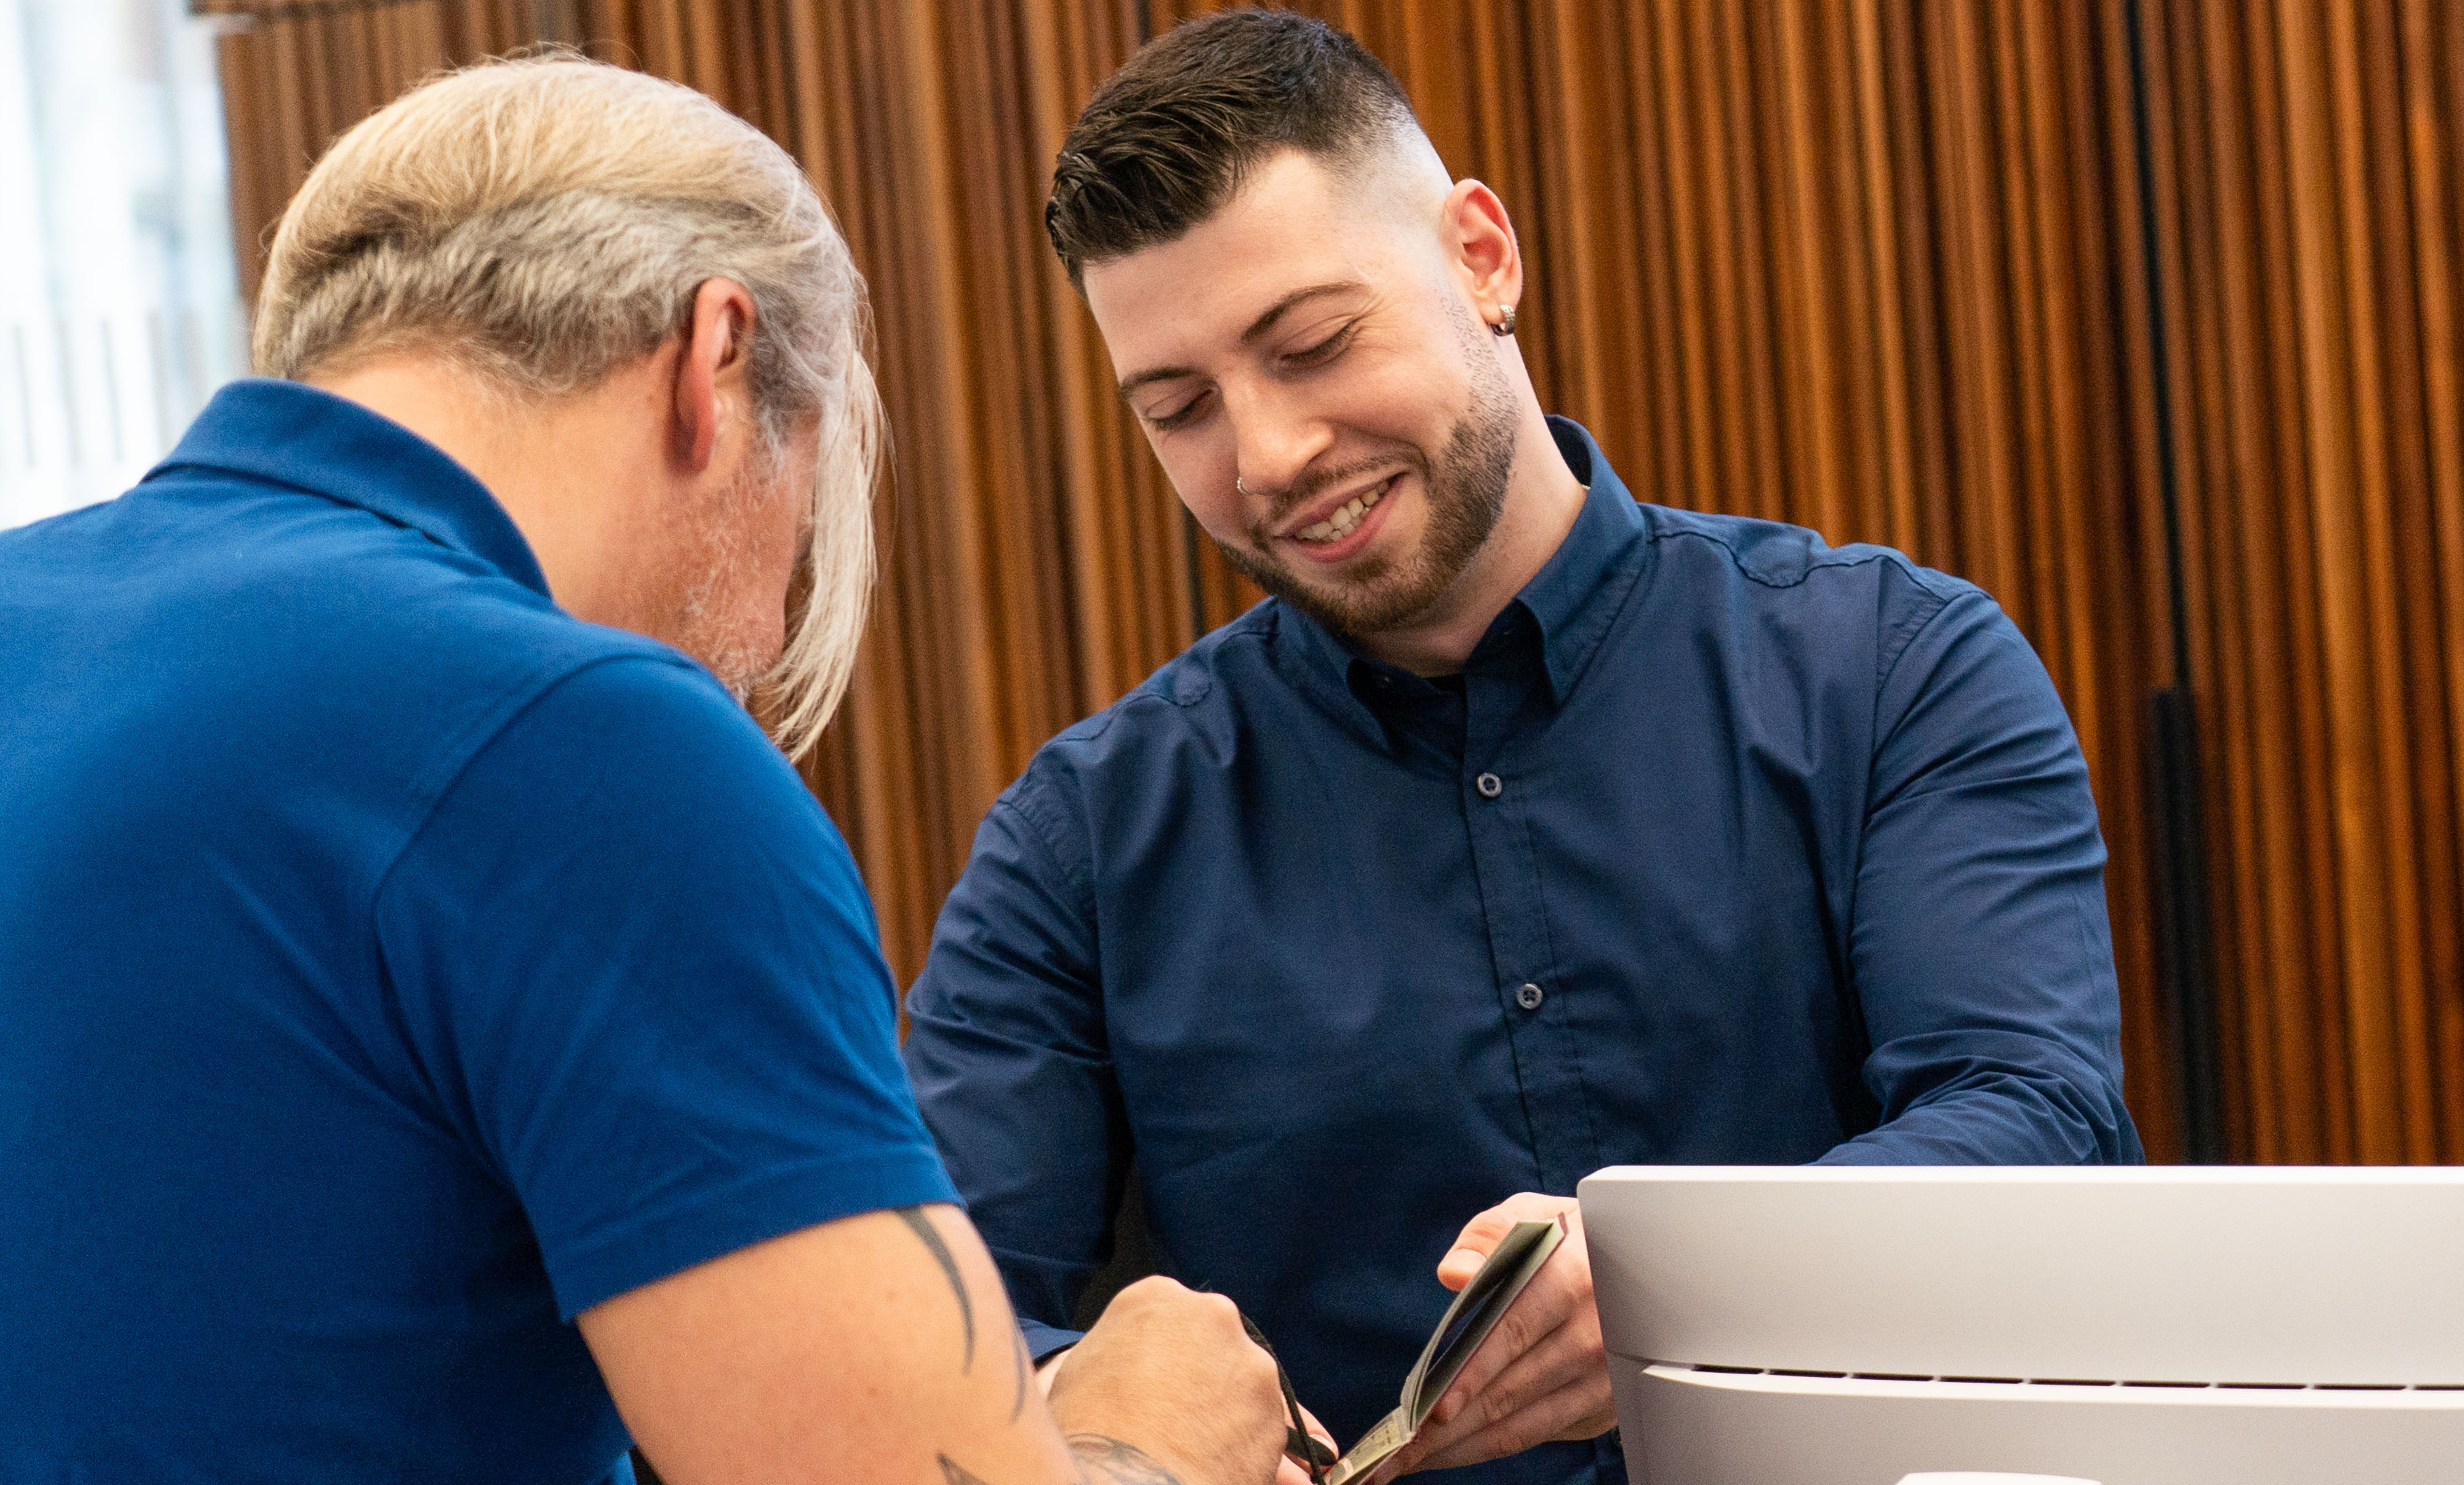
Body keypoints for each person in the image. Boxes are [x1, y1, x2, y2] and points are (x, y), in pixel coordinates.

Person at [0, 56, 1310, 1485]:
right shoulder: (585, 741)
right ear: (715, 360)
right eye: (803, 495)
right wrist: (1156, 1438)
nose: (763, 643)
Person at [904, 11, 2141, 1484]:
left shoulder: (1889, 670)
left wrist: (1684, 1271)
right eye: (1180, 410)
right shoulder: (1084, 845)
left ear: (1482, 259)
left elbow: (2038, 1123)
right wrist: (1114, 1419)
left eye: (1312, 346)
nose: (1269, 455)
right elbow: (929, 1333)